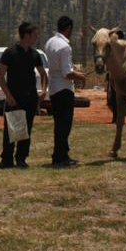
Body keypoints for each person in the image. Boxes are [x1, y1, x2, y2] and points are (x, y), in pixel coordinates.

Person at [0, 22, 48, 169]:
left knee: (26, 129)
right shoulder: (10, 53)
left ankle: (21, 158)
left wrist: (43, 90)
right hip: (13, 97)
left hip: (30, 97)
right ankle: (7, 160)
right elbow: (0, 76)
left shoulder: (35, 54)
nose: (36, 37)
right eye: (35, 34)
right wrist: (8, 95)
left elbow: (43, 74)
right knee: (11, 128)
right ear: (26, 35)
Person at [44, 16, 87, 167]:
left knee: (58, 124)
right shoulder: (65, 47)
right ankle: (61, 157)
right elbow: (67, 73)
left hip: (54, 88)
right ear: (68, 28)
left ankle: (61, 154)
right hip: (64, 89)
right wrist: (80, 76)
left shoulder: (50, 42)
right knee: (65, 125)